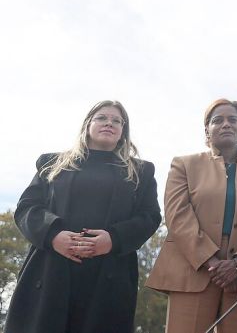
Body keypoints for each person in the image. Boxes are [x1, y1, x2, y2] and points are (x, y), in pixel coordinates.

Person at [6, 100, 161, 333]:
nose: (109, 123)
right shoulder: (52, 163)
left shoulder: (142, 171)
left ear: (123, 131)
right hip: (50, 272)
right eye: (102, 118)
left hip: (108, 276)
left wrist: (114, 239)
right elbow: (27, 207)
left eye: (117, 121)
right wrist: (53, 235)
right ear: (88, 124)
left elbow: (149, 216)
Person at [146, 99, 237, 333]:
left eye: (233, 119)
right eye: (218, 120)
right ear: (207, 129)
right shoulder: (184, 165)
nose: (226, 124)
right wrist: (212, 262)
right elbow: (177, 215)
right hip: (193, 268)